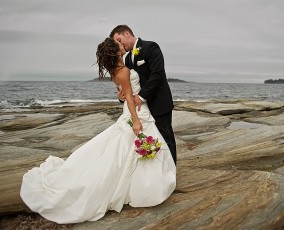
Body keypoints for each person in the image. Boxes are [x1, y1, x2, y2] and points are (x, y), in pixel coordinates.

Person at [19, 37, 176, 224]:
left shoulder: (117, 70)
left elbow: (125, 94)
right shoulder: (124, 70)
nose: (122, 45)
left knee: (128, 149)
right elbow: (127, 97)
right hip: (137, 113)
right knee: (130, 147)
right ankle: (141, 187)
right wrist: (135, 121)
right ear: (116, 52)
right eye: (118, 44)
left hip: (138, 108)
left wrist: (127, 98)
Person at [110, 25, 177, 164]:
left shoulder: (151, 47)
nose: (119, 44)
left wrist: (140, 97)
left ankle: (172, 172)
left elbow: (157, 74)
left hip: (159, 103)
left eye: (119, 39)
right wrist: (121, 98)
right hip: (141, 110)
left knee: (166, 138)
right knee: (147, 141)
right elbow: (129, 86)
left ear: (127, 33)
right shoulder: (127, 59)